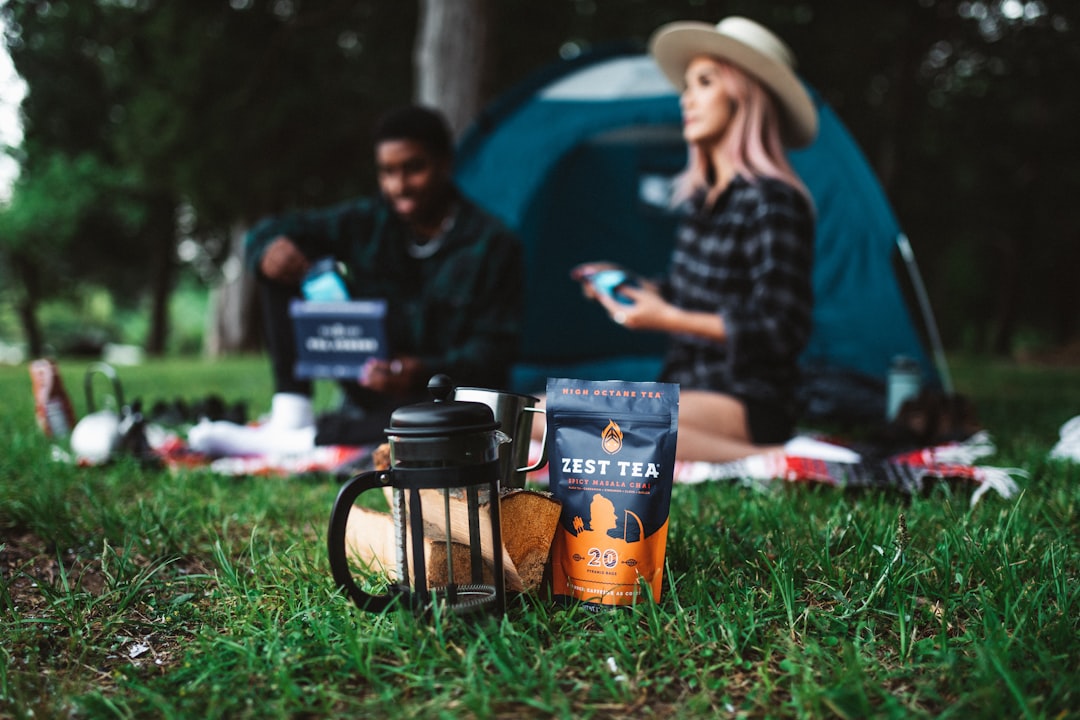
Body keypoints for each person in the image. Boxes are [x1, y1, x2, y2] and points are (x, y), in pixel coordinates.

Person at [192, 105, 525, 455]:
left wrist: (419, 370)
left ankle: (302, 440)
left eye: (414, 168)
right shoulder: (368, 221)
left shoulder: (494, 244)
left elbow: (495, 351)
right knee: (279, 257)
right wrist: (265, 250)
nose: (400, 186)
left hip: (445, 393)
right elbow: (271, 231)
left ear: (444, 163)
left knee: (445, 425)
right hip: (370, 381)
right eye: (388, 172)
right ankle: (292, 415)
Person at [569, 17, 819, 463]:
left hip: (748, 399)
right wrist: (631, 287)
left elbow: (782, 328)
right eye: (687, 85)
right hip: (690, 389)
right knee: (540, 412)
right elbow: (688, 295)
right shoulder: (701, 200)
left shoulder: (775, 201)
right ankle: (736, 454)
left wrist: (666, 318)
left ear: (743, 95)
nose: (686, 99)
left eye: (704, 82)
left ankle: (771, 456)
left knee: (572, 420)